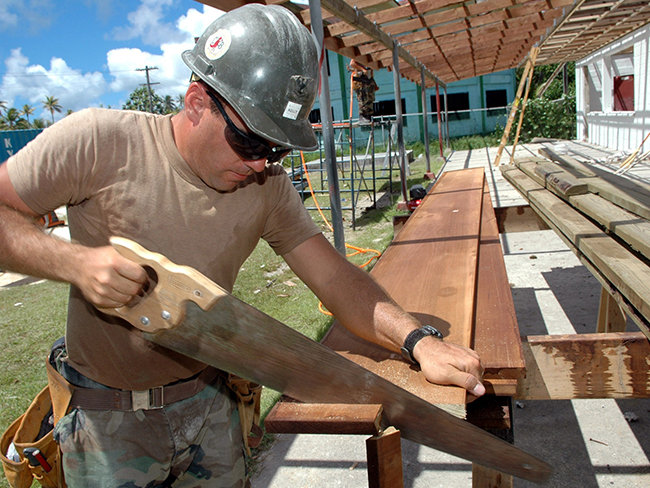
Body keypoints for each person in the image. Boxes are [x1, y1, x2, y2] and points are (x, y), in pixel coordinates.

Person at [0, 4, 484, 487]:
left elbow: (335, 278)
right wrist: (75, 263)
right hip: (109, 422)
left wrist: (418, 341)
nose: (261, 165)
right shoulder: (99, 142)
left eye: (276, 150)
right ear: (195, 102)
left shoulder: (267, 186)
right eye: (251, 143)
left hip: (210, 402)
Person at [348, 59, 379, 125]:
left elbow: (371, 71)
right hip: (361, 80)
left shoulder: (369, 57)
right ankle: (363, 117)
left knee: (370, 98)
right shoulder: (358, 55)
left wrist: (374, 83)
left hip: (368, 80)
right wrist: (362, 69)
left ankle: (369, 116)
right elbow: (352, 63)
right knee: (363, 99)